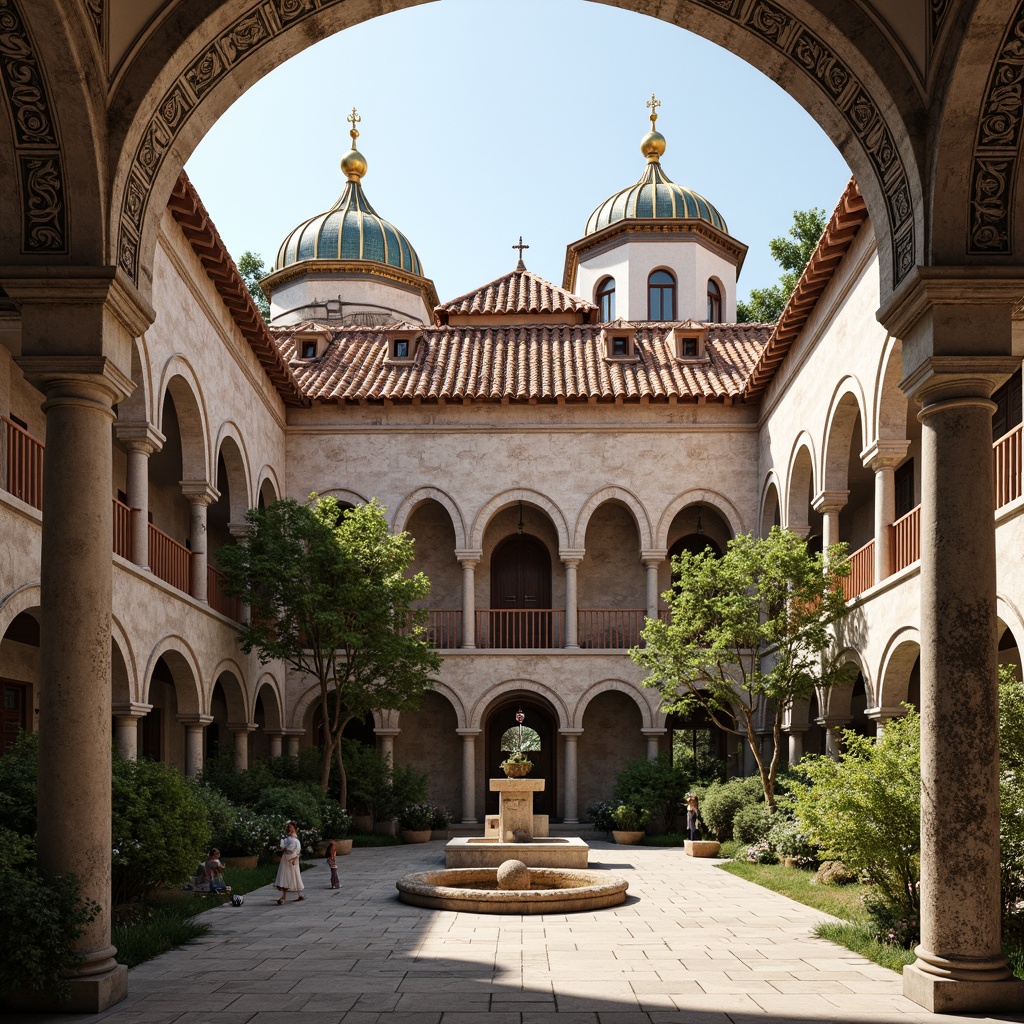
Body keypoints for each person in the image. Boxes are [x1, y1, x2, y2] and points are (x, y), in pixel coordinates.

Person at [275, 821, 304, 904]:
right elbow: (283, 847)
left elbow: (295, 849)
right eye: (288, 827)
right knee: (285, 876)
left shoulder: (295, 839)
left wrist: (292, 856)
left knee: (295, 875)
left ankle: (300, 894)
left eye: (291, 827)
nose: (289, 828)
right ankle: (284, 896)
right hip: (285, 859)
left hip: (292, 859)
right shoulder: (286, 838)